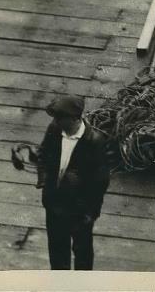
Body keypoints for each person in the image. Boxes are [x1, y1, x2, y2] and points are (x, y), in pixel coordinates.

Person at [34, 95, 111, 270]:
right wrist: (43, 180)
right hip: (55, 205)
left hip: (80, 210)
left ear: (76, 118)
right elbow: (43, 155)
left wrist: (91, 212)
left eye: (61, 117)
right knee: (57, 253)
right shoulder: (54, 130)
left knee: (82, 253)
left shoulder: (94, 141)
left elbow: (101, 182)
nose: (56, 121)